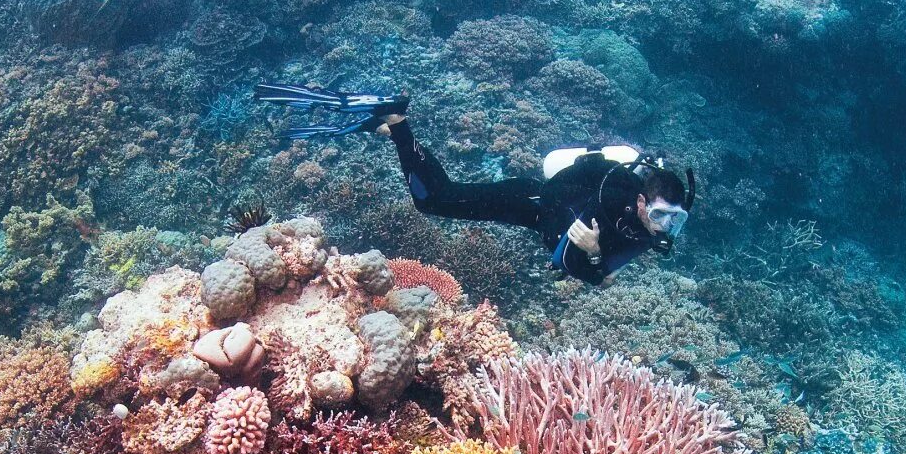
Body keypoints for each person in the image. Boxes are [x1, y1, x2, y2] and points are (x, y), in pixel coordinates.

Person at [253, 83, 693, 286]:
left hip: (541, 210)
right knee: (436, 201)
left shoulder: (649, 234)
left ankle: (388, 131)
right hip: (535, 199)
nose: (665, 227)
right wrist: (588, 250)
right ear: (640, 201)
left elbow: (595, 271)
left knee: (440, 199)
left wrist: (595, 256)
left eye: (675, 220)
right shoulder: (611, 200)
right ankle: (397, 119)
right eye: (659, 214)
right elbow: (573, 266)